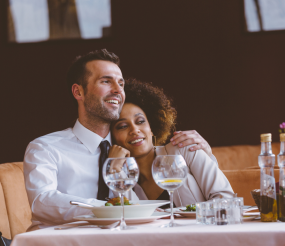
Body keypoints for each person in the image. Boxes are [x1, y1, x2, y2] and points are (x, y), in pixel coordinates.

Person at [23, 49, 215, 229]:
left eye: (120, 83)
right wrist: (108, 209)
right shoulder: (45, 148)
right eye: (106, 81)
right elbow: (42, 202)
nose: (118, 90)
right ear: (78, 92)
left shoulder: (132, 151)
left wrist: (206, 155)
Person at [109, 79, 234, 206]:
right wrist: (114, 169)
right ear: (111, 136)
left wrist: (194, 218)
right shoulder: (123, 177)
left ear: (151, 128)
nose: (135, 130)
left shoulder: (184, 149)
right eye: (122, 126)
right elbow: (131, 216)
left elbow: (226, 199)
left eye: (140, 121)